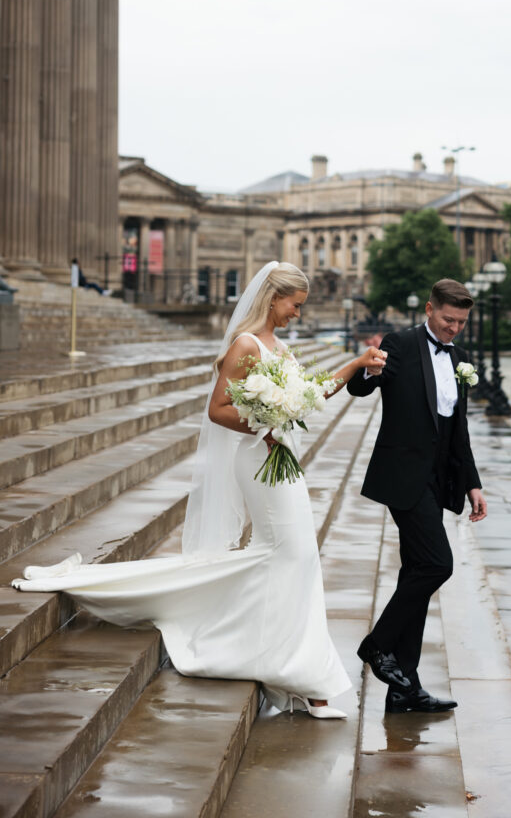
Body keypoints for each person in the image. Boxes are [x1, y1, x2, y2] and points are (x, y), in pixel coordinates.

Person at [13, 262, 387, 719]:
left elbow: (309, 397)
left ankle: (292, 667)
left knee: (288, 556)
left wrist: (355, 364)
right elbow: (217, 410)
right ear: (274, 298)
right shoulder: (246, 345)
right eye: (295, 305)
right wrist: (265, 423)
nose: (298, 314)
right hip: (259, 457)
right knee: (293, 555)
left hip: (282, 462)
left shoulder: (280, 348)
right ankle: (305, 678)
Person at [347, 278, 487, 713]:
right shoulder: (401, 343)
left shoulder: (460, 357)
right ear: (429, 309)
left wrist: (472, 482)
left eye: (462, 322)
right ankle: (376, 645)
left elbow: (457, 428)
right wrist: (369, 372)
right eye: (448, 320)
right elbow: (361, 388)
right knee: (436, 564)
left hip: (438, 478)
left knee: (416, 574)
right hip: (402, 475)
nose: (454, 329)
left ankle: (403, 687)